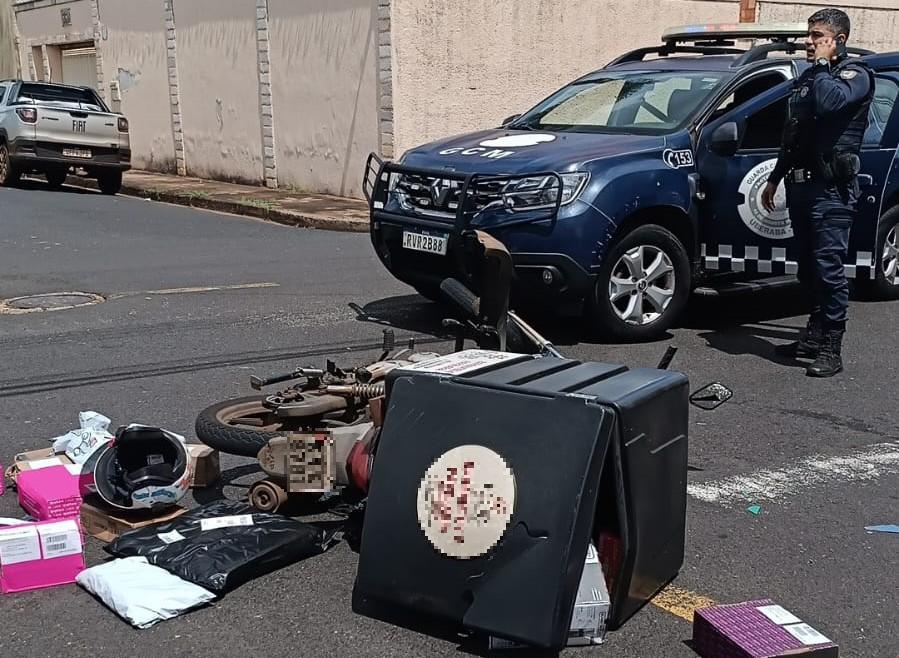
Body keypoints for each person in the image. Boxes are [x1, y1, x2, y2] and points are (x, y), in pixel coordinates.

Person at [761, 8, 874, 378]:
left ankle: (831, 347)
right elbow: (793, 134)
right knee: (808, 270)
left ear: (838, 40)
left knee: (828, 270)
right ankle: (813, 334)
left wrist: (824, 65)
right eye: (809, 36)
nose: (809, 43)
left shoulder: (855, 75)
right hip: (802, 187)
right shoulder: (810, 77)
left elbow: (831, 104)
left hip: (832, 190)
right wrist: (775, 177)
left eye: (817, 37)